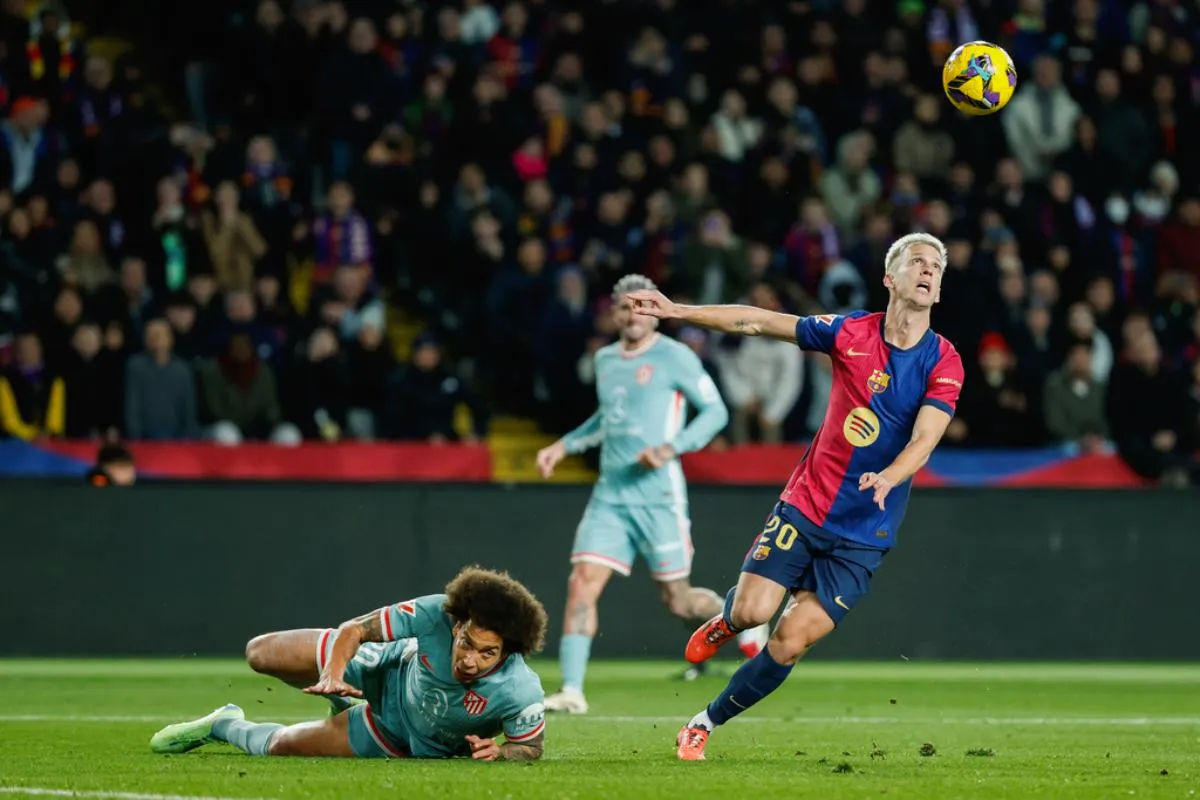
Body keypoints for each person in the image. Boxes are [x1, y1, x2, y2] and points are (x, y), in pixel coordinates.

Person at [625, 232, 964, 760]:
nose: (927, 271)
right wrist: (678, 310)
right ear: (889, 277)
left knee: (788, 641)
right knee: (753, 614)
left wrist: (891, 477)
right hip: (808, 504)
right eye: (916, 262)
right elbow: (757, 320)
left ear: (938, 291)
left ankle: (703, 723)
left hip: (865, 531)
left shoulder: (944, 361)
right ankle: (728, 620)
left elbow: (925, 438)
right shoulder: (850, 331)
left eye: (936, 268)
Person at [536, 274, 768, 714]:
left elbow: (716, 411)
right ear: (614, 312)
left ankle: (742, 618)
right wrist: (563, 446)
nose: (632, 315)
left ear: (655, 312)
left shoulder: (674, 356)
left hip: (659, 497)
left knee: (678, 601)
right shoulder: (605, 360)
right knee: (581, 584)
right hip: (610, 495)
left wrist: (670, 448)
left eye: (642, 306)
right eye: (625, 307)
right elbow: (606, 418)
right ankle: (571, 689)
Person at [149, 566, 549, 761]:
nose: (470, 660)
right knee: (261, 653)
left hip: (394, 735)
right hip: (385, 670)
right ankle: (341, 696)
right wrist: (333, 675)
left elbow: (529, 745)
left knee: (279, 748)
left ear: (508, 652)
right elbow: (354, 631)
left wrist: (501, 752)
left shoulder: (520, 690)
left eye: (487, 654)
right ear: (458, 624)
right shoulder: (434, 613)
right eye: (466, 643)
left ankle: (223, 723)